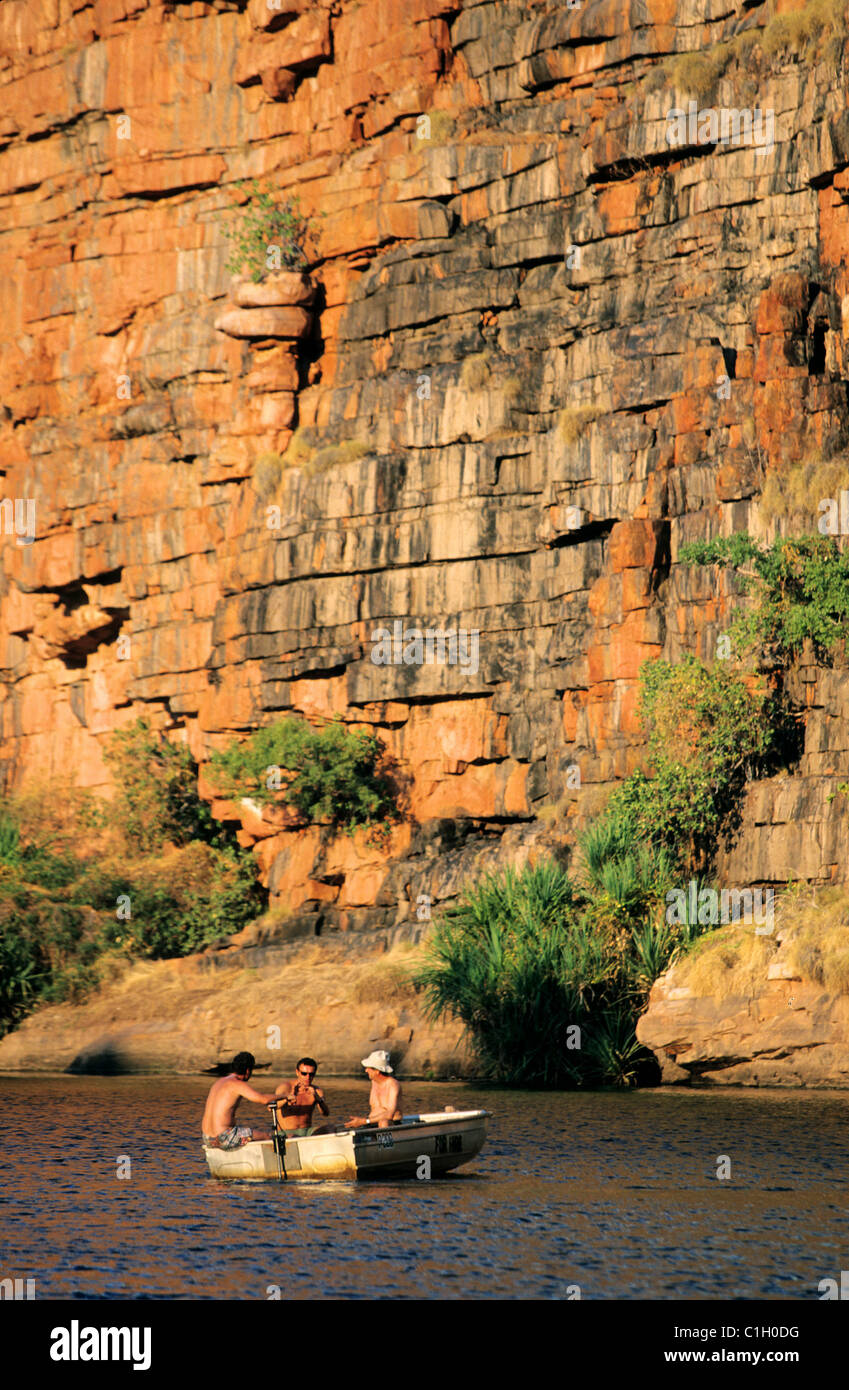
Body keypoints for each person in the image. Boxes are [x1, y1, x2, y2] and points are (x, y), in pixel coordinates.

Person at [201, 1051, 278, 1149]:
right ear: (247, 1071)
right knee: (266, 1137)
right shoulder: (237, 1084)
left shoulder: (219, 1082)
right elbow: (263, 1099)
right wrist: (285, 1096)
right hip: (224, 1137)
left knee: (245, 1133)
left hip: (208, 1138)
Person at [345, 1050, 403, 1130]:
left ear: (377, 1071)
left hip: (390, 1125)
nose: (366, 1070)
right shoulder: (374, 1082)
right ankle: (371, 1139)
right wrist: (363, 1122)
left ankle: (385, 1143)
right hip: (371, 1123)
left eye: (368, 1068)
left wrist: (364, 1121)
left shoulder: (393, 1084)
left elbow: (389, 1114)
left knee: (383, 1123)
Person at [274, 1057, 331, 1135]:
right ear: (297, 1072)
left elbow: (326, 1114)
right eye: (304, 1074)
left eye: (311, 1074)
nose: (308, 1077)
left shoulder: (317, 1091)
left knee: (330, 1129)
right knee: (293, 1136)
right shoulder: (285, 1088)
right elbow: (271, 1107)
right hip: (286, 1132)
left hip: (307, 1131)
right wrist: (287, 1099)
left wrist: (318, 1099)